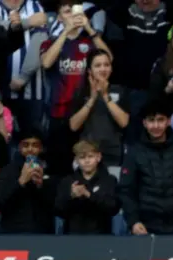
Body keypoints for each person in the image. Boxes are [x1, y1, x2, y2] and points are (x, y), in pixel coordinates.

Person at [40, 0, 112, 177]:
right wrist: (66, 31)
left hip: (86, 112)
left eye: (75, 13)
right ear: (59, 17)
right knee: (60, 167)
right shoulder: (50, 42)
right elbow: (47, 62)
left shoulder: (89, 42)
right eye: (66, 12)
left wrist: (89, 28)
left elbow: (109, 59)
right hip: (59, 113)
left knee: (89, 164)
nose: (72, 17)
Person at [118, 100, 173, 236]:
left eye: (160, 120)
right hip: (146, 229)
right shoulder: (134, 152)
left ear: (168, 121)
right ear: (144, 123)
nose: (156, 125)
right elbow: (126, 190)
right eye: (151, 120)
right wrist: (133, 221)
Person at [105, 0, 172, 145]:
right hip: (130, 86)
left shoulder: (169, 12)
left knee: (156, 137)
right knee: (132, 135)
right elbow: (110, 11)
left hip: (160, 87)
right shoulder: (124, 12)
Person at [0, 0, 48, 136]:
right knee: (2, 139)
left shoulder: (35, 5)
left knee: (32, 140)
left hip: (32, 90)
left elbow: (41, 39)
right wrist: (28, 22)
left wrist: (23, 77)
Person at [69, 49, 129, 167]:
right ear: (89, 70)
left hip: (113, 154)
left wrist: (106, 96)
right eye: (98, 65)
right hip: (86, 154)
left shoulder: (120, 91)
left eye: (106, 65)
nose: (103, 69)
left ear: (111, 68)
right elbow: (73, 126)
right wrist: (92, 99)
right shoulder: (80, 92)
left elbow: (124, 122)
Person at [0, 129, 56, 234]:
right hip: (13, 233)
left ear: (41, 148)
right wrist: (20, 182)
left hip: (43, 233)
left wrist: (41, 185)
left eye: (35, 145)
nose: (30, 149)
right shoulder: (8, 171)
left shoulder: (50, 171)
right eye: (26, 145)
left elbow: (57, 206)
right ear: (19, 147)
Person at [54, 140, 119, 234]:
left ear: (99, 157)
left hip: (101, 237)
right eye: (82, 157)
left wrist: (89, 195)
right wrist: (71, 196)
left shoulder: (109, 180)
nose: (87, 161)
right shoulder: (67, 181)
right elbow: (58, 210)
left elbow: (113, 208)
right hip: (72, 238)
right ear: (76, 160)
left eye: (90, 156)